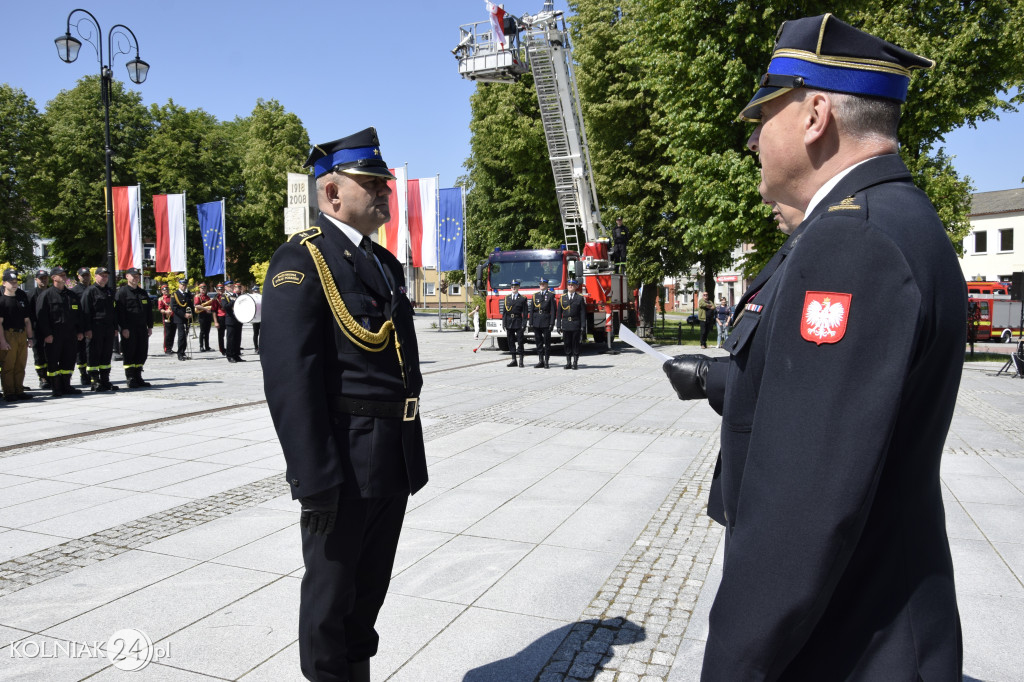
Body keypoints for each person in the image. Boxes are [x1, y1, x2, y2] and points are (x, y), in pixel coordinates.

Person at [663, 14, 965, 679]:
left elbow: (798, 512)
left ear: (814, 116)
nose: (751, 139)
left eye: (762, 114)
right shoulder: (890, 218)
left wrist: (731, 667)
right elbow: (839, 394)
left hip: (848, 641)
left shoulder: (851, 244)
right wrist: (721, 380)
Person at [260, 128, 427, 682]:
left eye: (385, 183)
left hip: (389, 458)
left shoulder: (382, 263)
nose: (384, 192)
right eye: (372, 183)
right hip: (341, 465)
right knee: (330, 605)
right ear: (332, 193)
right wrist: (314, 475)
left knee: (367, 597)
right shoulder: (301, 261)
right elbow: (290, 378)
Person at [35, 266, 85, 397]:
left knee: (68, 360)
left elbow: (79, 315)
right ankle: (56, 387)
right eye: (60, 275)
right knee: (53, 361)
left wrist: (80, 331)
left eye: (64, 274)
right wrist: (47, 334)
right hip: (54, 334)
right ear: (53, 278)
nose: (64, 276)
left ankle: (66, 385)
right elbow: (41, 317)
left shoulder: (71, 295)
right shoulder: (46, 295)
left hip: (70, 334)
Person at [81, 266, 118, 391]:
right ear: (95, 276)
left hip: (108, 328)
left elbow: (113, 311)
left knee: (106, 354)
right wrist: (87, 329)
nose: (104, 277)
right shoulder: (90, 291)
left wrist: (115, 327)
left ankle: (105, 380)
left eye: (106, 275)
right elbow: (85, 312)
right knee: (93, 354)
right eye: (102, 275)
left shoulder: (109, 291)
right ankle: (94, 381)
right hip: (95, 328)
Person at [116, 267, 154, 388]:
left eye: (137, 276)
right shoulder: (122, 292)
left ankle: (138, 376)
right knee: (129, 352)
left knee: (142, 352)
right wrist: (123, 328)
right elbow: (119, 312)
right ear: (127, 276)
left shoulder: (142, 293)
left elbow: (149, 311)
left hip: (142, 328)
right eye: (133, 276)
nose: (135, 278)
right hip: (129, 329)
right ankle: (130, 377)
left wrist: (150, 326)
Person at [0, 269, 34, 402]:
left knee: (20, 364)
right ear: (4, 283)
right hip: (9, 334)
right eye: (11, 282)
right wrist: (2, 341)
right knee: (9, 365)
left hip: (21, 334)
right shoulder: (2, 301)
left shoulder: (21, 299)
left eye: (16, 282)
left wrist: (30, 338)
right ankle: (9, 392)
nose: (14, 284)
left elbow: (27, 320)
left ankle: (19, 390)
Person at [27, 269, 50, 390]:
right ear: (36, 280)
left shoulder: (52, 292)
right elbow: (28, 315)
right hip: (37, 329)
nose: (44, 280)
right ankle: (42, 378)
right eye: (41, 278)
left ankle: (52, 376)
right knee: (39, 354)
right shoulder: (31, 294)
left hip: (52, 329)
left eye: (45, 277)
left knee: (51, 353)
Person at [556, 278, 586, 370]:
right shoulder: (563, 297)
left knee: (575, 344)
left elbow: (582, 313)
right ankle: (568, 362)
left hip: (575, 323)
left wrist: (583, 326)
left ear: (576, 286)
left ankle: (575, 362)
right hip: (566, 324)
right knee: (567, 343)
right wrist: (558, 325)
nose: (570, 286)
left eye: (572, 285)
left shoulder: (579, 298)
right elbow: (559, 313)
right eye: (569, 285)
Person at [71, 266, 93, 387]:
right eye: (83, 275)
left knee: (91, 350)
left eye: (87, 275)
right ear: (78, 276)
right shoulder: (75, 291)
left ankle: (92, 372)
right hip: (80, 324)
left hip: (92, 324)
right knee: (81, 351)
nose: (85, 277)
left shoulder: (93, 288)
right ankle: (83, 374)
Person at [529, 277, 556, 368]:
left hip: (546, 320)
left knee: (547, 342)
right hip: (537, 321)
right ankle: (540, 360)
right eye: (540, 284)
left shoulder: (550, 295)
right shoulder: (535, 295)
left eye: (543, 284)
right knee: (538, 342)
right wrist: (531, 322)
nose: (542, 285)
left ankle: (546, 361)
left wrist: (552, 323)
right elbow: (532, 310)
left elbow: (553, 310)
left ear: (547, 285)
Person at [502, 279, 527, 367]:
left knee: (520, 341)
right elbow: (504, 312)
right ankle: (513, 359)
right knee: (510, 341)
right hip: (509, 321)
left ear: (518, 287)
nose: (513, 288)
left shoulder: (523, 299)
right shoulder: (507, 298)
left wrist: (524, 324)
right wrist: (503, 322)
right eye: (512, 287)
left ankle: (521, 360)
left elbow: (525, 312)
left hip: (518, 321)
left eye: (515, 287)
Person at [171, 278, 195, 361]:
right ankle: (180, 353)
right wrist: (184, 314)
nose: (183, 286)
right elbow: (174, 307)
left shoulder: (188, 294)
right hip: (180, 318)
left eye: (185, 285)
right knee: (181, 336)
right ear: (179, 285)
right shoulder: (175, 294)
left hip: (187, 318)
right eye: (182, 285)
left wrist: (192, 314)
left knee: (185, 335)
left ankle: (183, 352)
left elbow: (191, 306)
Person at [222, 281, 244, 362]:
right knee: (230, 339)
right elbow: (225, 306)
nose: (231, 287)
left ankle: (236, 354)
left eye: (232, 286)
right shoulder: (224, 296)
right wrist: (233, 301)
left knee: (237, 338)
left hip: (238, 319)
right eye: (229, 286)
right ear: (226, 287)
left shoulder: (235, 295)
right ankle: (230, 355)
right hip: (230, 319)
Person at [194, 283, 215, 352]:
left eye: (204, 288)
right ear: (199, 289)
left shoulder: (207, 297)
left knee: (207, 331)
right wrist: (205, 309)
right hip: (202, 315)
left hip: (208, 315)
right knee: (202, 331)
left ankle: (207, 346)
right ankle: (201, 346)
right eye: (202, 288)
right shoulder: (198, 296)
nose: (203, 290)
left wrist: (210, 310)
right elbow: (196, 305)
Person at [157, 284, 174, 354]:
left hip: (173, 317)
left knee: (173, 333)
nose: (166, 291)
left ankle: (170, 348)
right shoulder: (161, 299)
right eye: (164, 290)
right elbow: (160, 309)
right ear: (162, 291)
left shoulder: (172, 297)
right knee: (167, 334)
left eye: (167, 289)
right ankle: (166, 348)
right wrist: (166, 312)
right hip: (166, 317)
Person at [211, 282, 227, 354]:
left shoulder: (226, 296)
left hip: (227, 317)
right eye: (219, 289)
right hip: (220, 317)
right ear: (217, 290)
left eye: (222, 289)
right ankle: (222, 349)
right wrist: (215, 322)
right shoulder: (215, 298)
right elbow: (214, 311)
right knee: (221, 335)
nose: (220, 290)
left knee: (229, 334)